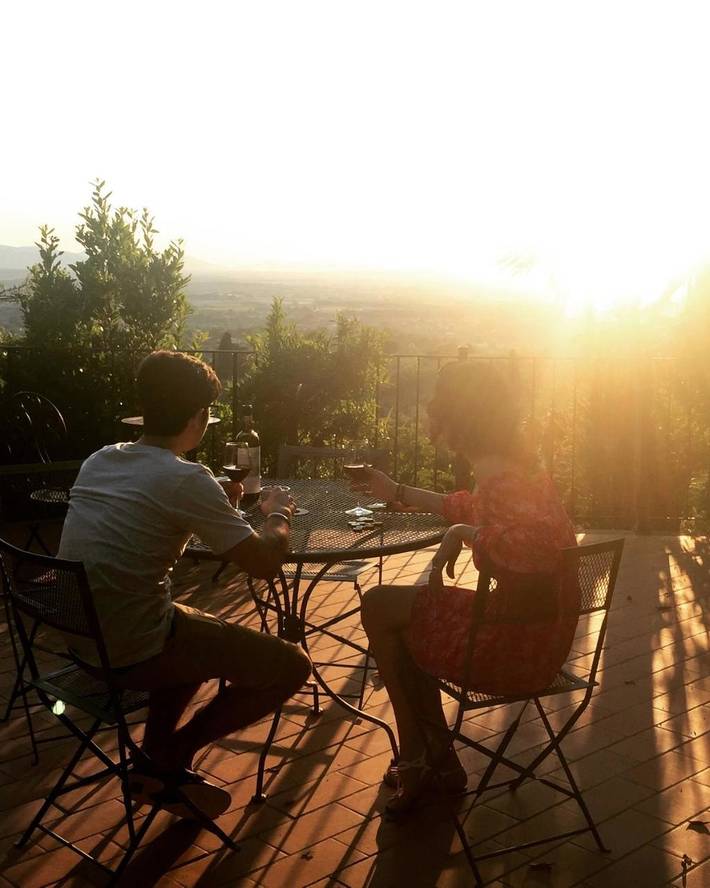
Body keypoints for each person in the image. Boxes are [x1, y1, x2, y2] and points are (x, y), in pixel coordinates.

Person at [58, 350, 311, 816]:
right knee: (292, 665)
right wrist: (279, 512)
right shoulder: (186, 480)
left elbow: (152, 496)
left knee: (196, 627)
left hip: (79, 638)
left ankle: (159, 767)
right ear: (200, 416)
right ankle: (171, 753)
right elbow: (262, 562)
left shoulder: (102, 459)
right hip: (135, 649)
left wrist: (213, 493)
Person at [358, 360, 578, 818]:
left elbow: (533, 550)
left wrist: (467, 536)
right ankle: (433, 759)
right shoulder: (519, 463)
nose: (435, 410)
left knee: (381, 608)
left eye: (442, 402)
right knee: (398, 620)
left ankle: (420, 757)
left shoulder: (497, 471)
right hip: (541, 633)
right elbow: (478, 509)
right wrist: (398, 490)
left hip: (512, 646)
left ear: (461, 412)